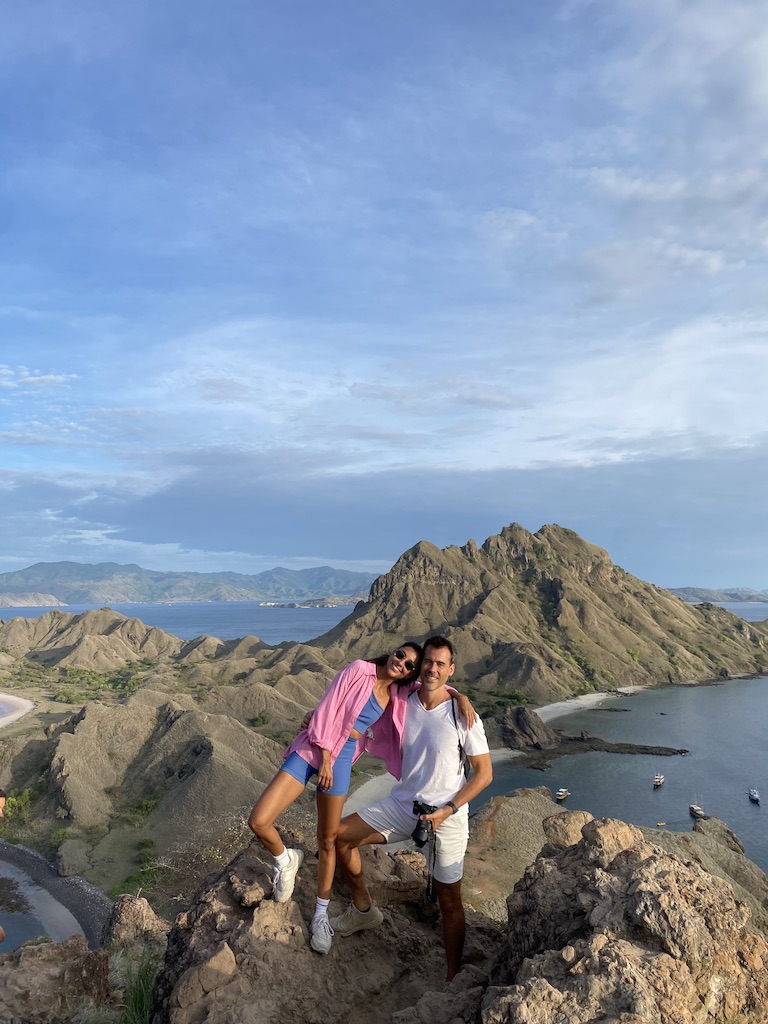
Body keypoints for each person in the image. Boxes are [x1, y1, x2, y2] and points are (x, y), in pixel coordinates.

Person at [330, 636, 492, 982]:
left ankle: (452, 976)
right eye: (427, 662)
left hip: (447, 817)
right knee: (339, 836)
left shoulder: (462, 713)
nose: (432, 669)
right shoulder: (404, 700)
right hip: (404, 806)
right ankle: (362, 910)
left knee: (449, 900)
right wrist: (312, 721)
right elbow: (357, 700)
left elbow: (484, 774)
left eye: (440, 664)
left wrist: (449, 809)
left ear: (451, 669)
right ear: (420, 668)